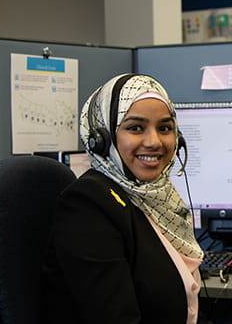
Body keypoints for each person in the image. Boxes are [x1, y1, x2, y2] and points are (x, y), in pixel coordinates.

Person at [43, 73, 207, 324]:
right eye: (135, 128)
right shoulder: (87, 206)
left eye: (165, 128)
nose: (154, 142)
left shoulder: (159, 200)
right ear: (102, 138)